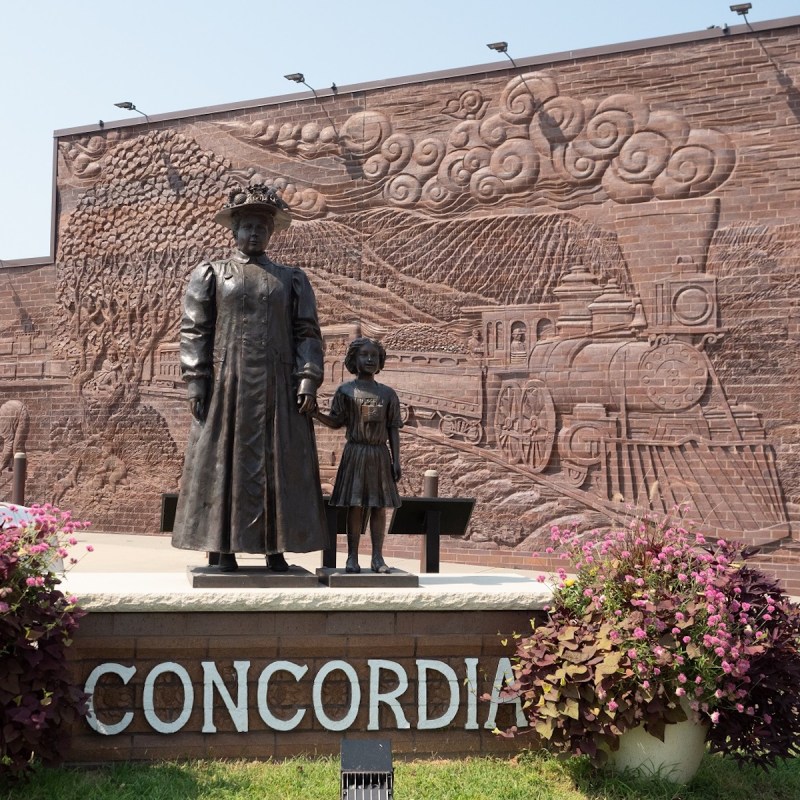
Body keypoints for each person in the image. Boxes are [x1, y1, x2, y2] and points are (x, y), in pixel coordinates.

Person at [171, 185, 328, 572]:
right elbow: (194, 329)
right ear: (234, 231)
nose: (255, 233)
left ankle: (277, 550)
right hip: (229, 383)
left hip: (278, 386)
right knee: (225, 462)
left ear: (271, 233)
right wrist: (196, 379)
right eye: (248, 226)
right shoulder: (212, 273)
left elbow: (308, 332)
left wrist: (307, 378)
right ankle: (222, 550)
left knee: (279, 462)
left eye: (262, 227)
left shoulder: (291, 279)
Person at [314, 337, 402, 574]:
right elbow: (336, 421)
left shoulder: (388, 394)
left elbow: (393, 427)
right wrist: (315, 413)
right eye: (364, 355)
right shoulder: (345, 391)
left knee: (378, 506)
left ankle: (377, 558)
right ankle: (352, 558)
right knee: (354, 505)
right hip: (355, 452)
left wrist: (397, 460)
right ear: (354, 359)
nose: (370, 359)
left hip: (379, 454)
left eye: (374, 355)